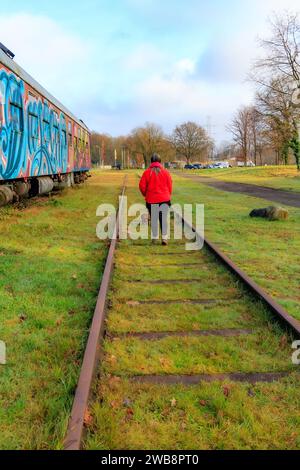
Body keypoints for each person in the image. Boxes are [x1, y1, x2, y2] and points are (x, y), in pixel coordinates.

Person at [139, 154, 173, 245]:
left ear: (151, 162)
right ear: (160, 161)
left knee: (154, 218)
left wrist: (146, 194)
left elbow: (142, 186)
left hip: (151, 200)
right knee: (163, 218)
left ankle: (155, 238)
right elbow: (170, 185)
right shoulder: (166, 172)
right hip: (164, 199)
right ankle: (164, 238)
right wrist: (167, 195)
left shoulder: (147, 172)